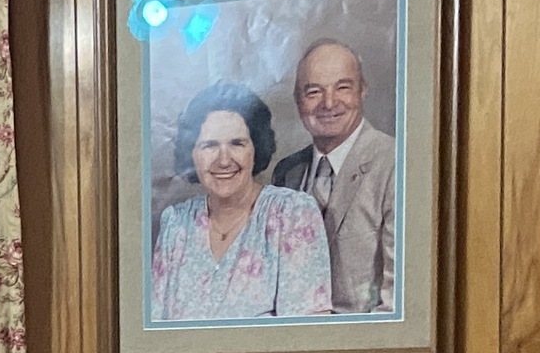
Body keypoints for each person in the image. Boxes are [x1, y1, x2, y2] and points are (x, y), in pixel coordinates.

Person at [147, 80, 332, 322]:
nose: (224, 160)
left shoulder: (292, 214)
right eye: (209, 145)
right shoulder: (175, 223)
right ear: (192, 154)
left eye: (237, 143)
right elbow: (154, 338)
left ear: (256, 148)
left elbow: (306, 338)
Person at [269, 39, 397, 313]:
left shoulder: (396, 163)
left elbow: (397, 301)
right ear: (297, 100)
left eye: (343, 87)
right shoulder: (287, 173)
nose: (328, 103)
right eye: (314, 91)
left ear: (363, 90)